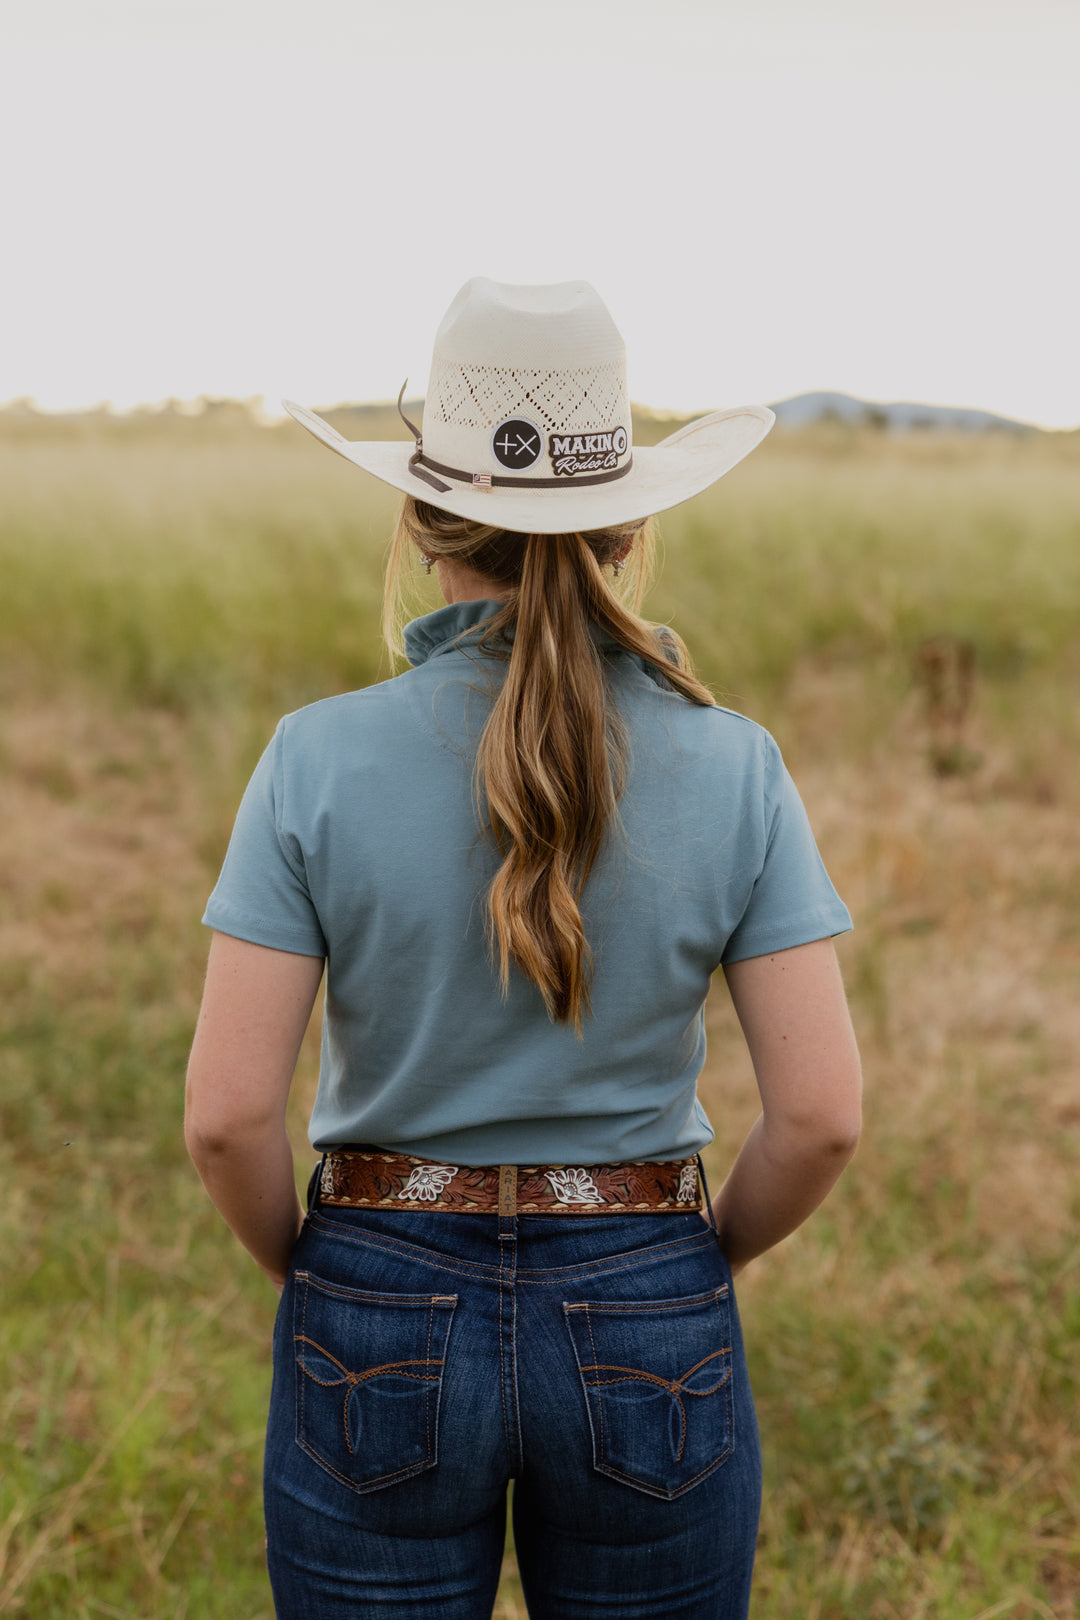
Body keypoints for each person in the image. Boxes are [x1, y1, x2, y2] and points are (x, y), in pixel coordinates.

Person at [185, 277, 862, 1620]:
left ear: (423, 519)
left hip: (376, 1274)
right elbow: (824, 1118)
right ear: (631, 525)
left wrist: (330, 1269)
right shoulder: (736, 765)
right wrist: (680, 1263)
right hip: (645, 1280)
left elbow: (225, 1120)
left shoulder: (314, 755)